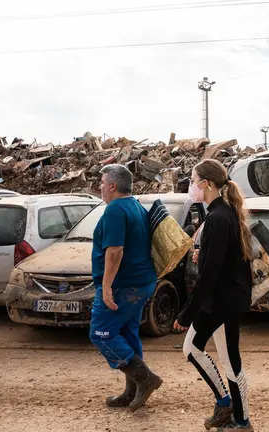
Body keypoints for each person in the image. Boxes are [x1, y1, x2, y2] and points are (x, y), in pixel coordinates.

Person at [174, 159, 254, 431]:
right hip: (220, 301)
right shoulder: (220, 213)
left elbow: (210, 274)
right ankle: (224, 404)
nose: (190, 185)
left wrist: (187, 312)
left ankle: (241, 421)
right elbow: (222, 258)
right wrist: (203, 254)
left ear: (205, 184)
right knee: (193, 349)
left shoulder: (220, 217)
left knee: (230, 362)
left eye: (193, 179)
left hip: (223, 302)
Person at [89, 164, 162, 411]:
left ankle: (145, 379)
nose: (100, 187)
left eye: (102, 182)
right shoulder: (135, 206)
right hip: (142, 283)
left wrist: (107, 286)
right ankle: (133, 390)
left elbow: (115, 251)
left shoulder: (115, 211)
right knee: (128, 333)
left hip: (124, 286)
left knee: (102, 333)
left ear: (112, 185)